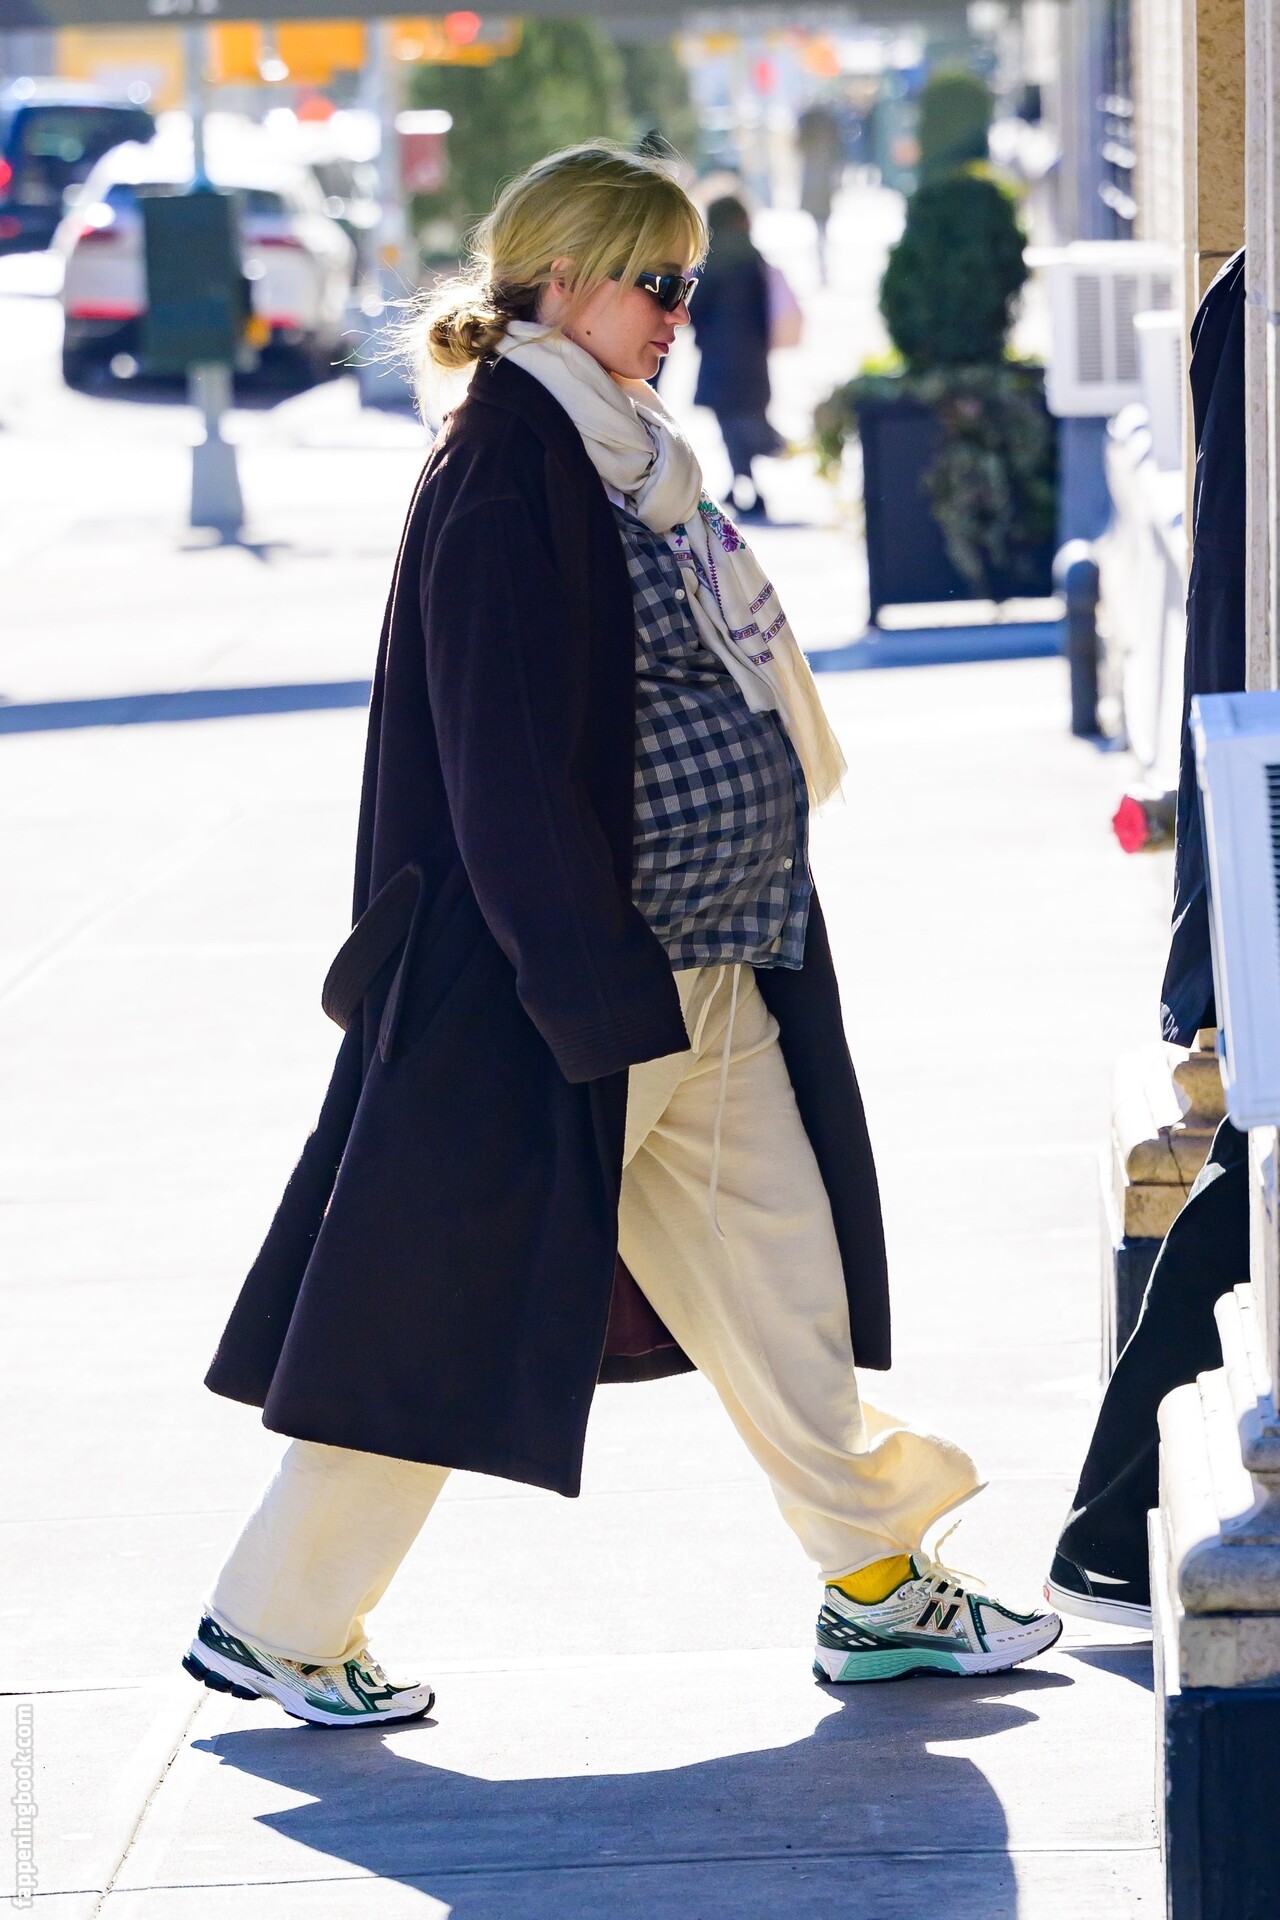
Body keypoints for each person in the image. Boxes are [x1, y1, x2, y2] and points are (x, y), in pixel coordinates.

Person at [184, 144, 1060, 1729]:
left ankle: (877, 1584)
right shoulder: (505, 470)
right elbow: (504, 767)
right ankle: (275, 1623)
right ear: (565, 281)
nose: (677, 314)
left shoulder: (622, 455)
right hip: (567, 994)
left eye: (689, 286)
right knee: (439, 1306)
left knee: (781, 1286)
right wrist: (589, 999)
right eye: (656, 284)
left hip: (704, 963)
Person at [1046, 251, 1248, 1627]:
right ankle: (1111, 1523)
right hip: (1257, 791)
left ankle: (1109, 1525)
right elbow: (1236, 609)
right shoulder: (1256, 304)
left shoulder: (1246, 301)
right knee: (1250, 1169)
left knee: (1249, 1167)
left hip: (1248, 799)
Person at [691, 194, 781, 521]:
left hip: (719, 354)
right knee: (744, 417)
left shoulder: (712, 259)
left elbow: (694, 307)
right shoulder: (752, 256)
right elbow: (765, 309)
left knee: (730, 422)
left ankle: (750, 479)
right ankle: (746, 481)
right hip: (751, 354)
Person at [797, 100, 843, 282]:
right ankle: (821, 251)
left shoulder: (810, 123)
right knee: (821, 221)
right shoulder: (825, 123)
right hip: (821, 177)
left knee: (820, 221)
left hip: (818, 177)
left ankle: (821, 251)